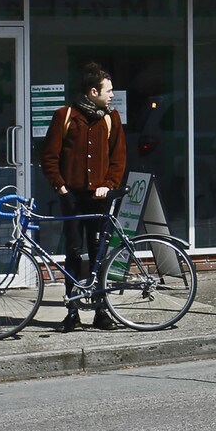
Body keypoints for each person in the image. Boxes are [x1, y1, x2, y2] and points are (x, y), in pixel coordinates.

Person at [41, 62, 127, 331]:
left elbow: (119, 158)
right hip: (73, 197)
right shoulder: (65, 116)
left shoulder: (111, 119)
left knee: (99, 253)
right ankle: (72, 311)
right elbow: (49, 157)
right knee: (74, 252)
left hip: (99, 197)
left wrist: (109, 183)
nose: (112, 95)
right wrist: (61, 187)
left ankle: (102, 312)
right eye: (108, 90)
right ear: (93, 92)